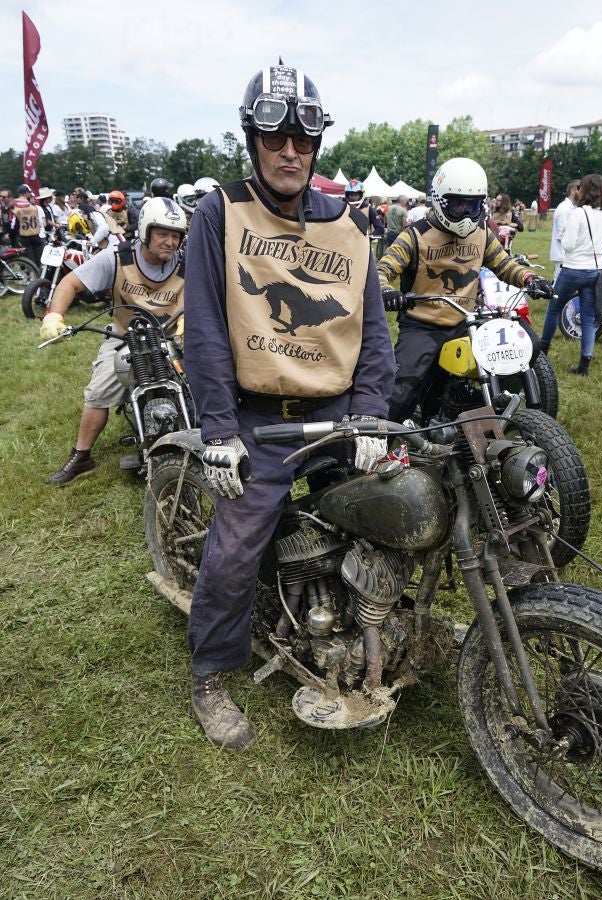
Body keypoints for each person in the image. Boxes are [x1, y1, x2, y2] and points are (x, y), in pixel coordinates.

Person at [183, 62, 395, 751]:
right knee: (237, 541)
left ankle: (368, 616)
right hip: (257, 415)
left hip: (336, 410)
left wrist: (369, 412)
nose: (289, 153)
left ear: (316, 147)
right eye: (274, 138)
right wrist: (218, 430)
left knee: (389, 510)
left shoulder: (351, 225)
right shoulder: (220, 210)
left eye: (302, 142)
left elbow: (374, 333)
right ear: (252, 139)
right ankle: (212, 674)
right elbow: (208, 328)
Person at [377, 156, 551, 424]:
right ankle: (381, 441)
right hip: (422, 326)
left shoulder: (481, 231)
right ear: (439, 200)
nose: (466, 212)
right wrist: (386, 291)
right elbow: (382, 270)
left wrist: (529, 278)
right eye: (457, 204)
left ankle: (475, 407)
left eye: (472, 205)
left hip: (466, 322)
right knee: (400, 392)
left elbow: (504, 264)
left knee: (526, 345)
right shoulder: (414, 236)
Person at [39, 197, 187, 484]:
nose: (170, 242)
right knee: (100, 390)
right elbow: (71, 283)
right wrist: (53, 316)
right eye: (163, 234)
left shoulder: (188, 262)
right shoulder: (117, 257)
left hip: (172, 335)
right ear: (145, 230)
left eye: (176, 235)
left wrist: (188, 319)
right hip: (123, 335)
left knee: (206, 376)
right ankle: (82, 455)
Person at [540, 173, 602, 375]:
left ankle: (542, 351)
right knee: (588, 317)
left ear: (585, 190)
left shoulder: (578, 213)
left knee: (554, 308)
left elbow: (568, 244)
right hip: (595, 270)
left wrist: (564, 238)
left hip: (573, 269)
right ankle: (585, 362)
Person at [549, 180, 579, 280]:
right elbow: (562, 234)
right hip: (563, 256)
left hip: (567, 255)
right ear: (574, 190)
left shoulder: (571, 208)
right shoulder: (564, 209)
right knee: (558, 286)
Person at [13, 184, 45, 265]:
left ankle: (33, 275)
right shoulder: (32, 206)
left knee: (30, 260)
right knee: (39, 259)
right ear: (26, 193)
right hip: (35, 234)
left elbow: (14, 224)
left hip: (23, 236)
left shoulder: (14, 205)